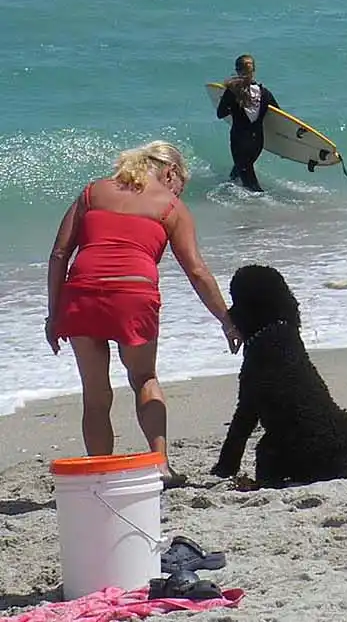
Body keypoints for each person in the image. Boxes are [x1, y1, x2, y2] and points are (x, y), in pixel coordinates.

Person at [45, 141, 240, 487]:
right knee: (144, 379)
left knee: (95, 393)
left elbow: (60, 254)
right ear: (170, 172)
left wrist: (53, 314)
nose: (180, 191)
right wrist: (226, 319)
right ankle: (160, 466)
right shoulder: (170, 207)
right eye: (182, 183)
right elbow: (196, 271)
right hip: (133, 295)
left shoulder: (92, 192)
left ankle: (101, 474)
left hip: (82, 293)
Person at [215, 54, 277, 192]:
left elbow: (220, 114)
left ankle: (264, 207)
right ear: (253, 70)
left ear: (237, 70)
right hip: (257, 143)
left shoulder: (232, 92)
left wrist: (231, 105)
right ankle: (230, 186)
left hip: (239, 141)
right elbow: (277, 116)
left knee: (251, 186)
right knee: (239, 171)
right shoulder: (265, 93)